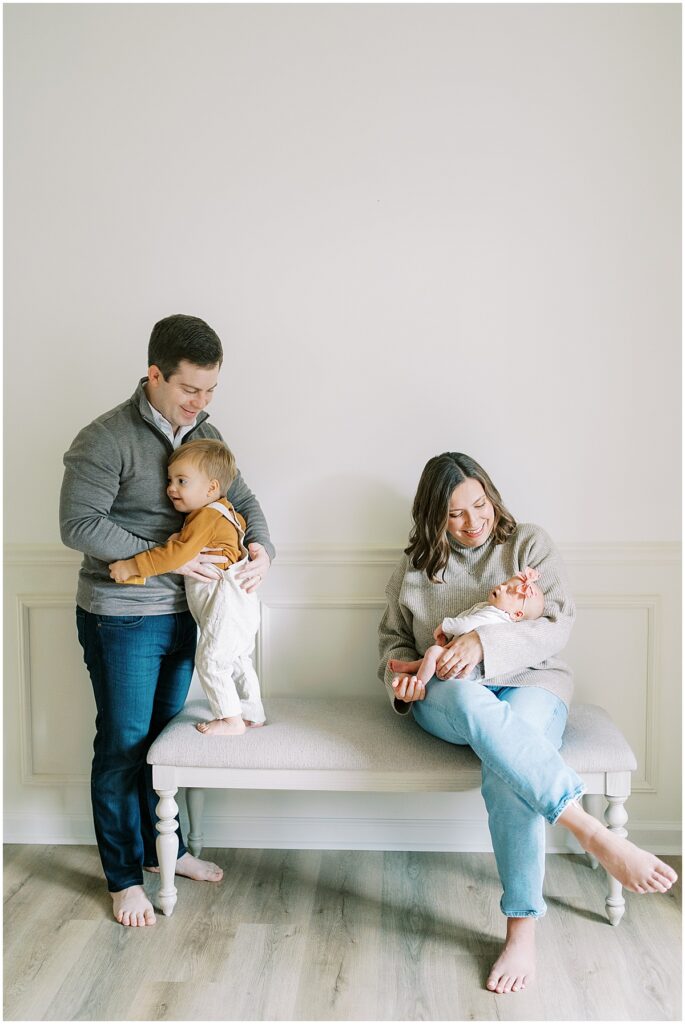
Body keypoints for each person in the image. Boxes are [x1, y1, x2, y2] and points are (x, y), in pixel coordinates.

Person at [378, 452, 677, 995]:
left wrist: (481, 642)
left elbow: (556, 624)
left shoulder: (528, 545)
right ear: (432, 518)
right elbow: (393, 644)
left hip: (534, 684)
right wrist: (399, 682)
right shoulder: (413, 569)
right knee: (472, 705)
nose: (473, 521)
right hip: (446, 694)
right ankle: (592, 832)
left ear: (491, 494)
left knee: (507, 764)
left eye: (479, 503)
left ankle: (521, 929)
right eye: (454, 514)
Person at [60, 313, 275, 928]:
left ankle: (168, 852)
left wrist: (261, 549)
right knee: (124, 746)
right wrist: (166, 565)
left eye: (211, 392)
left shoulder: (203, 431)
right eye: (189, 390)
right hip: (122, 617)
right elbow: (78, 525)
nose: (201, 404)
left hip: (192, 618)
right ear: (154, 375)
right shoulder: (104, 438)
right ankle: (124, 876)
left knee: (162, 746)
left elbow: (245, 500)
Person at [109, 438, 266, 736]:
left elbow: (178, 556)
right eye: (169, 480)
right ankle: (252, 712)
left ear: (210, 488)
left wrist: (131, 567)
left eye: (182, 481)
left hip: (226, 599)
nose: (171, 488)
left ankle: (230, 719)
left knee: (211, 660)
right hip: (242, 600)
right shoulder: (227, 513)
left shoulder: (206, 516)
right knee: (238, 658)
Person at [389, 566, 544, 685]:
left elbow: (465, 624)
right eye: (504, 583)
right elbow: (466, 619)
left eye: (509, 591)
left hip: (468, 669)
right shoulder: (490, 609)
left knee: (433, 652)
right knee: (434, 656)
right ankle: (413, 667)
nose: (501, 587)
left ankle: (420, 684)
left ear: (517, 614)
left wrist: (445, 626)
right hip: (463, 660)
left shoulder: (494, 615)